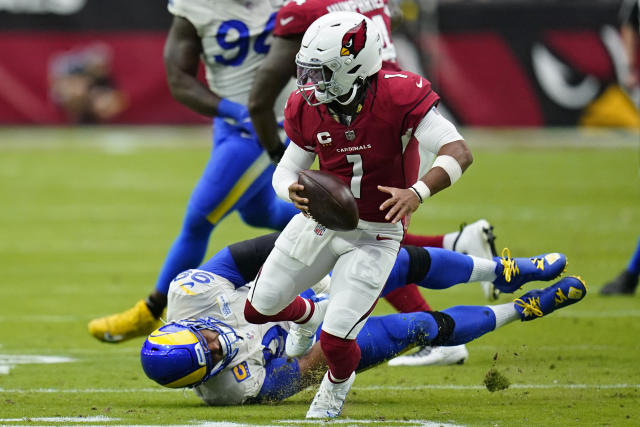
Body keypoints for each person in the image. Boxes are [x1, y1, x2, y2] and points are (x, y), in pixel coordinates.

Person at [87, 0, 497, 347]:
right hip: (243, 120)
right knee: (313, 221)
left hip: (276, 123)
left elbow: (267, 90)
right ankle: (454, 245)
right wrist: (235, 113)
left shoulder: (301, 9)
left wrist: (269, 142)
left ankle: (154, 309)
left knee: (201, 217)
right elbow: (179, 79)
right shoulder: (198, 7)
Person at [241, 11, 491, 418]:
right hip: (321, 221)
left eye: (320, 73)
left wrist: (417, 192)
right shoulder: (307, 108)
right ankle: (307, 314)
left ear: (352, 69)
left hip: (377, 231)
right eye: (306, 71)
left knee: (338, 342)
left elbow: (458, 150)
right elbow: (285, 169)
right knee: (259, 308)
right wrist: (292, 191)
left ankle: (336, 387)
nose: (308, 83)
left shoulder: (397, 94)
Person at [139, 232, 585, 409]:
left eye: (208, 342)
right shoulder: (231, 391)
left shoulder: (190, 294)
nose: (221, 346)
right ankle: (521, 311)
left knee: (401, 259)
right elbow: (303, 370)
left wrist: (314, 246)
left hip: (309, 284)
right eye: (213, 358)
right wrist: (337, 321)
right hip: (324, 337)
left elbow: (257, 251)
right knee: (420, 328)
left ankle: (506, 272)